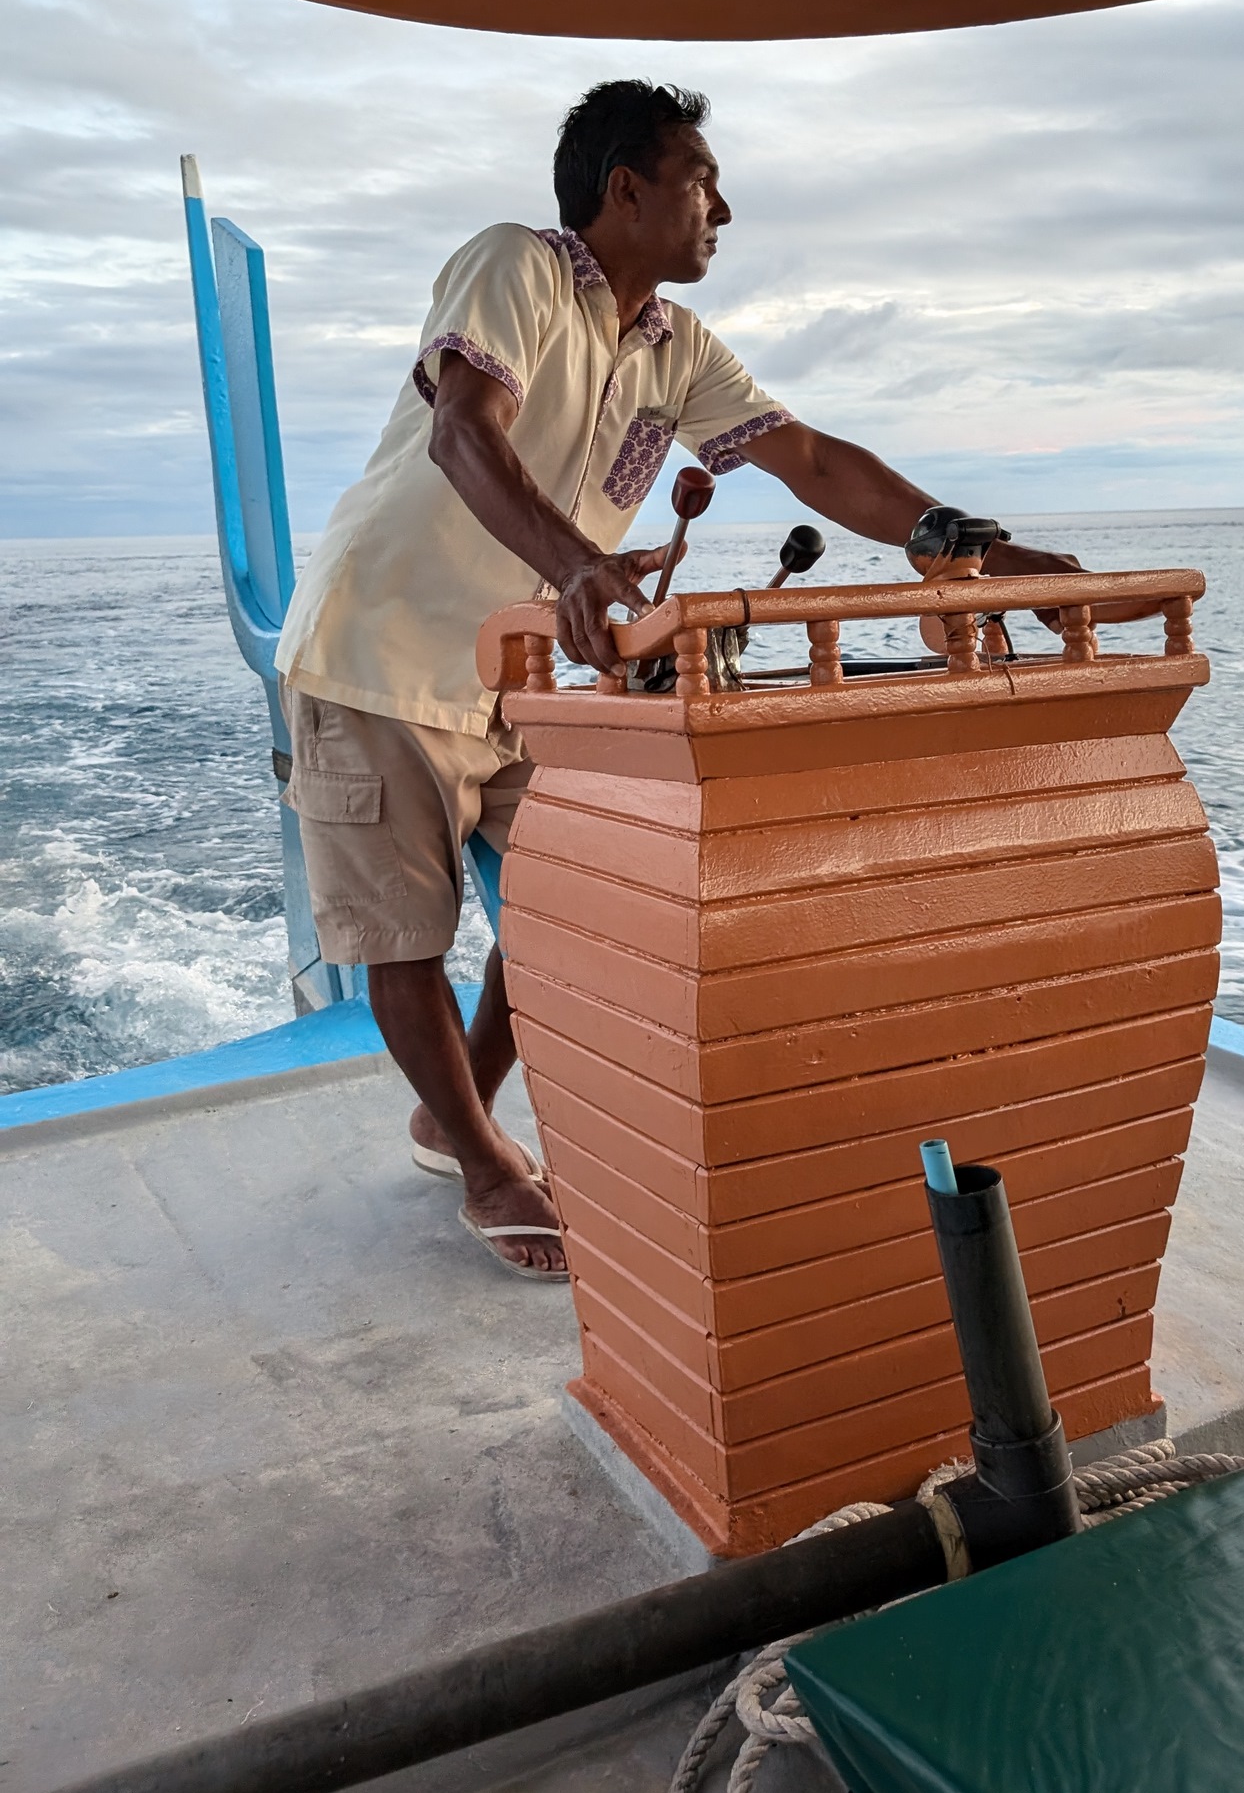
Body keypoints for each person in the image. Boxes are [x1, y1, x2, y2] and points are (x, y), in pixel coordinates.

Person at [276, 80, 1077, 1280]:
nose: (723, 209)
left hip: (522, 676)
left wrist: (979, 553)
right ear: (626, 190)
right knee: (404, 933)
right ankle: (487, 1164)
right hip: (377, 652)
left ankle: (453, 1112)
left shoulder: (675, 346)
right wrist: (578, 565)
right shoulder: (514, 267)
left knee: (570, 899)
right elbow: (461, 430)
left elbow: (809, 460)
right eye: (702, 181)